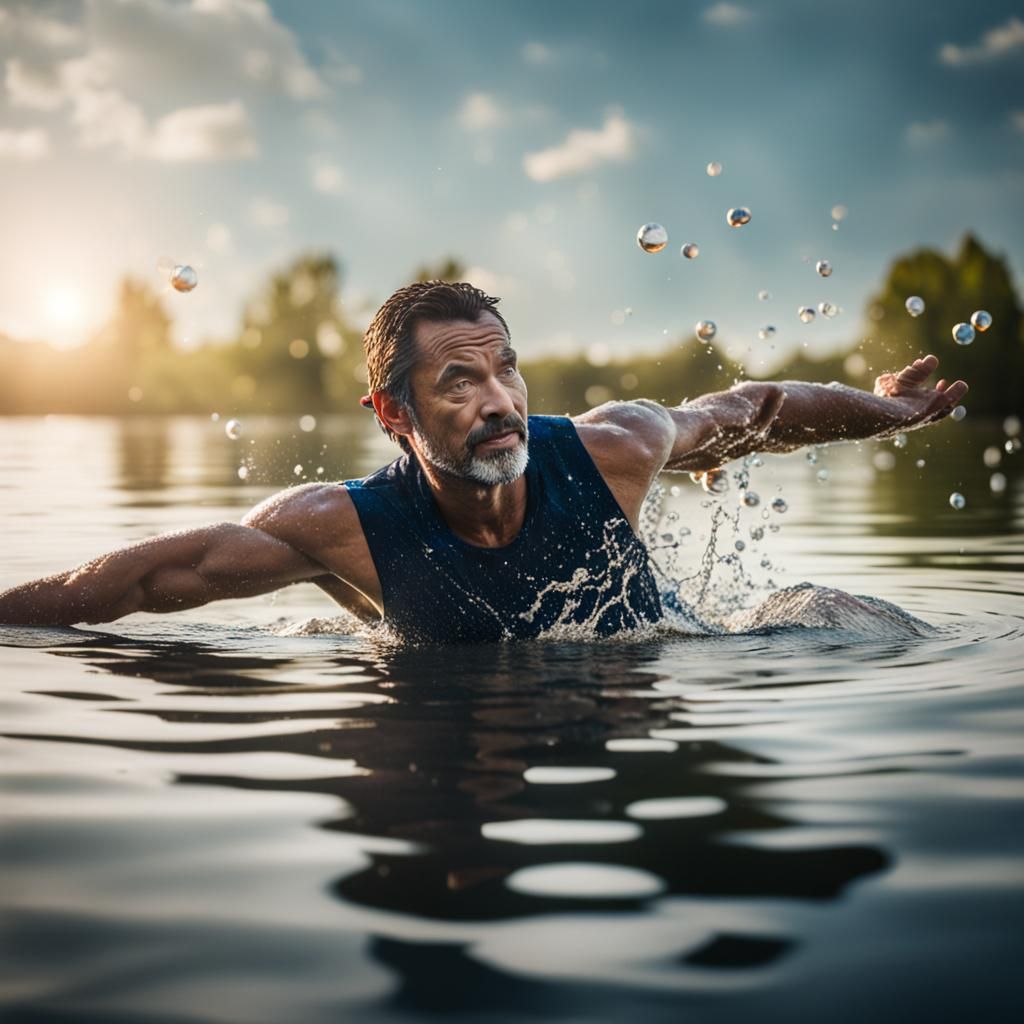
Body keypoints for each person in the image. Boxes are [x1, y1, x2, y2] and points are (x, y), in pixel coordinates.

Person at [0, 281, 967, 642]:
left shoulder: (615, 449)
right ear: (393, 413)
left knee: (850, 621)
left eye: (506, 368)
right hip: (441, 728)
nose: (498, 400)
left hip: (633, 706)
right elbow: (145, 579)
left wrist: (889, 409)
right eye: (458, 383)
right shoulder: (344, 529)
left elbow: (751, 408)